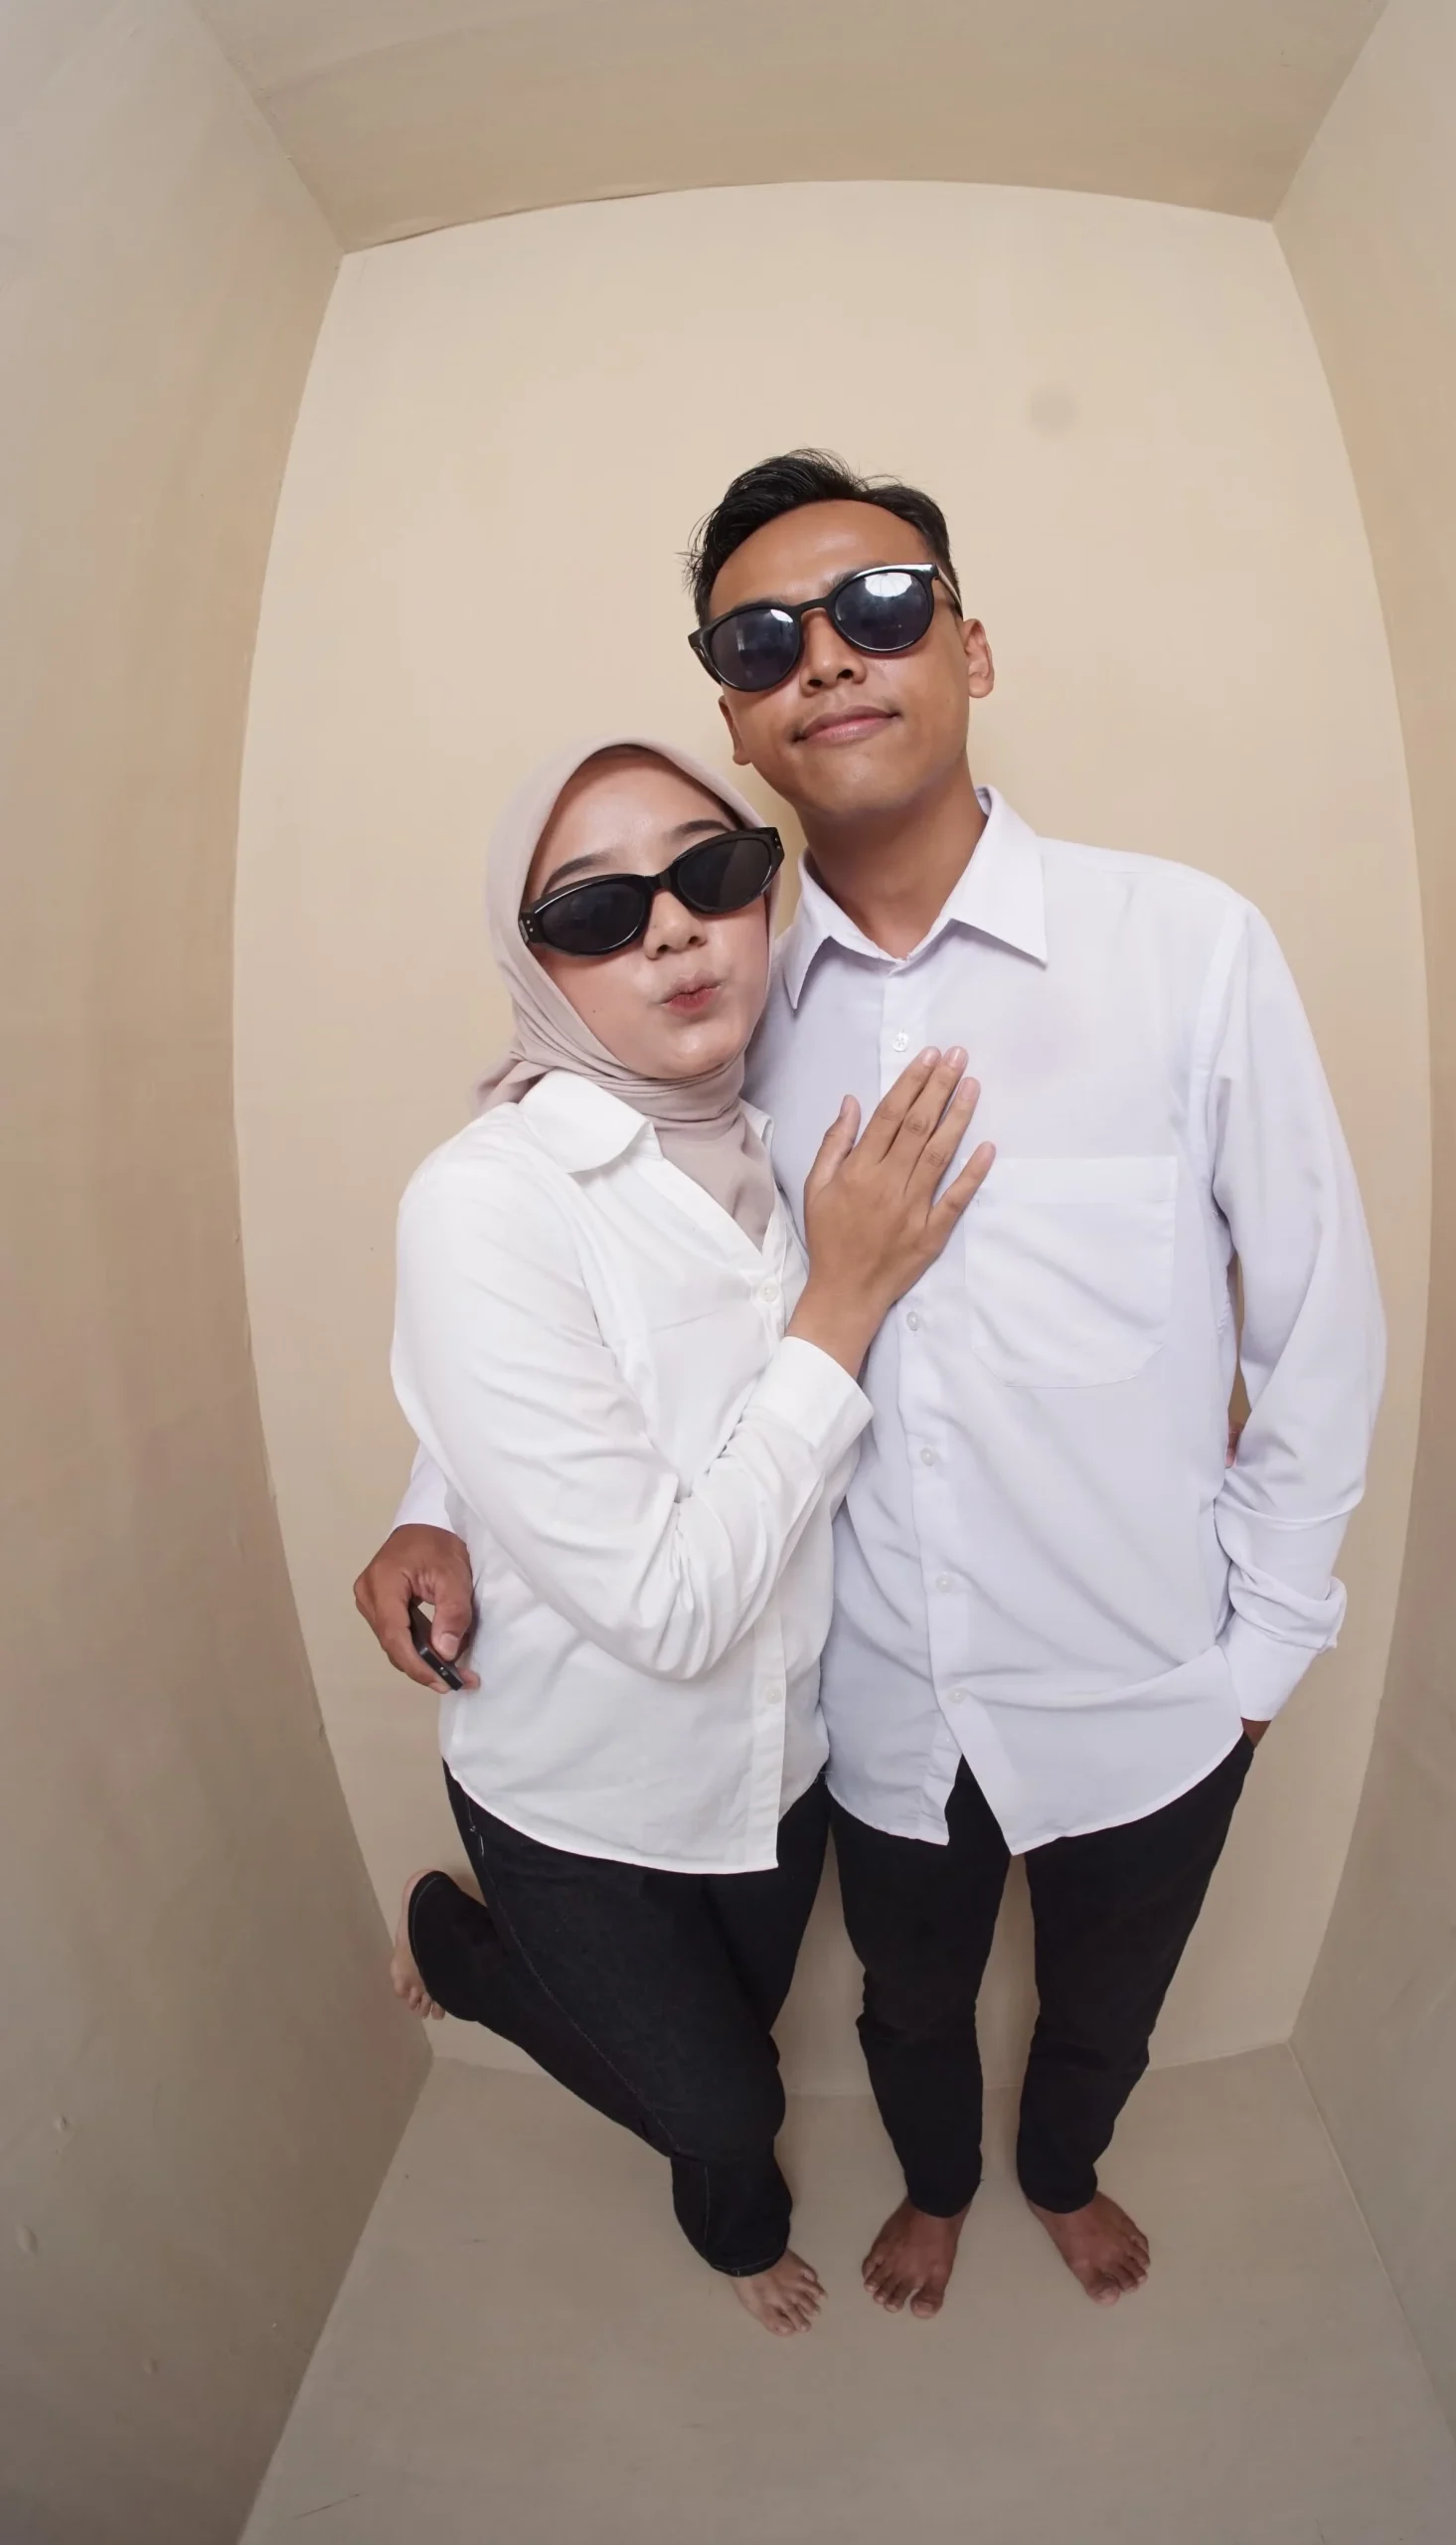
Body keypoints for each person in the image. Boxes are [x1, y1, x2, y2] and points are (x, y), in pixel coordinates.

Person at [359, 454, 1385, 2321]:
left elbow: (1314, 1318)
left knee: (1108, 2005)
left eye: (880, 607)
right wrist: (438, 1497)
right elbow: (593, 1293)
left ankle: (1060, 2172)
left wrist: (1261, 1651)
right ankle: (933, 2187)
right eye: (763, 641)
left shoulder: (1184, 948)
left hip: (1151, 1684)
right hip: (874, 1705)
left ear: (969, 648)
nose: (826, 657)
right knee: (907, 2002)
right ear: (735, 718)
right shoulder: (717, 1011)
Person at [381, 732, 991, 2336]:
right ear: (535, 966)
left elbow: (556, 1402)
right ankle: (479, 1964)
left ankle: (708, 2177)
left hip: (777, 1769)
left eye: (710, 873)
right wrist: (842, 1304)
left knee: (739, 2037)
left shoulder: (774, 1123)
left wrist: (429, 1507)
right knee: (725, 2106)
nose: (670, 928)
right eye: (595, 910)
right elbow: (662, 1604)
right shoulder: (485, 1197)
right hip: (578, 1797)